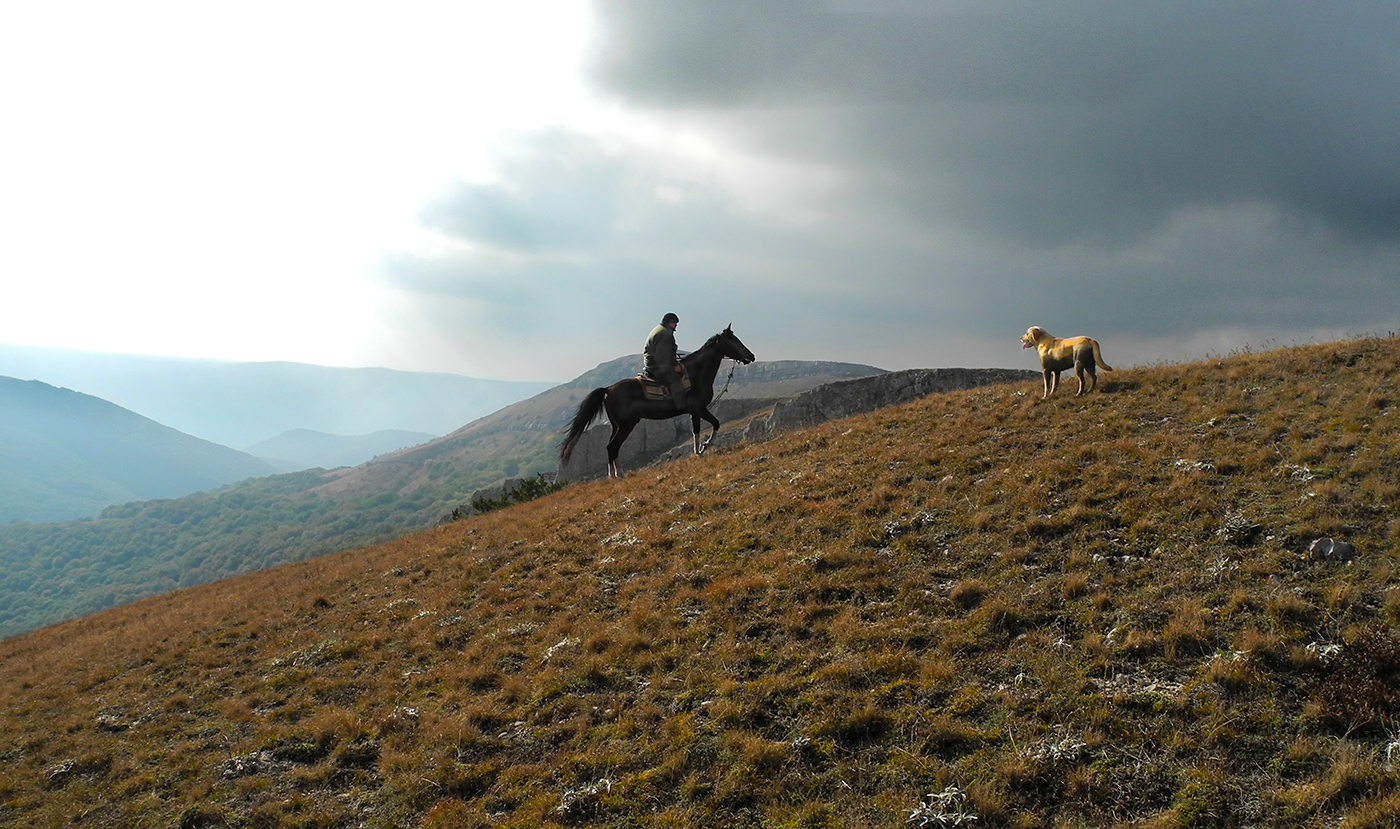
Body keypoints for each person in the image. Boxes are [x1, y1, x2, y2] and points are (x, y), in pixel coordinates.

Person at [643, 312, 696, 413]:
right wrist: (675, 365)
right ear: (670, 323)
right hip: (656, 365)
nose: (676, 326)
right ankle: (681, 406)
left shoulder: (660, 329)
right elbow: (665, 355)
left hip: (652, 362)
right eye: (675, 323)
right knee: (675, 380)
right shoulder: (664, 334)